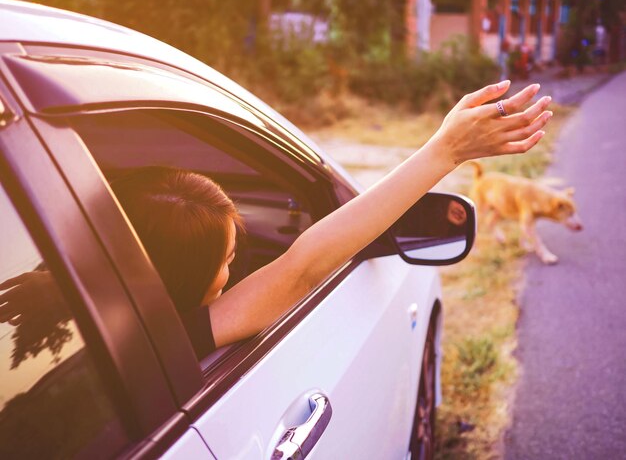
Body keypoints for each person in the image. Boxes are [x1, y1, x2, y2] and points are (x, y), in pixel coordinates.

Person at [1, 81, 552, 359]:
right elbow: (302, 267)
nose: (231, 274)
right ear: (191, 283)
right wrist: (443, 153)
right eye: (228, 261)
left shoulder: (57, 294)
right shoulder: (173, 339)